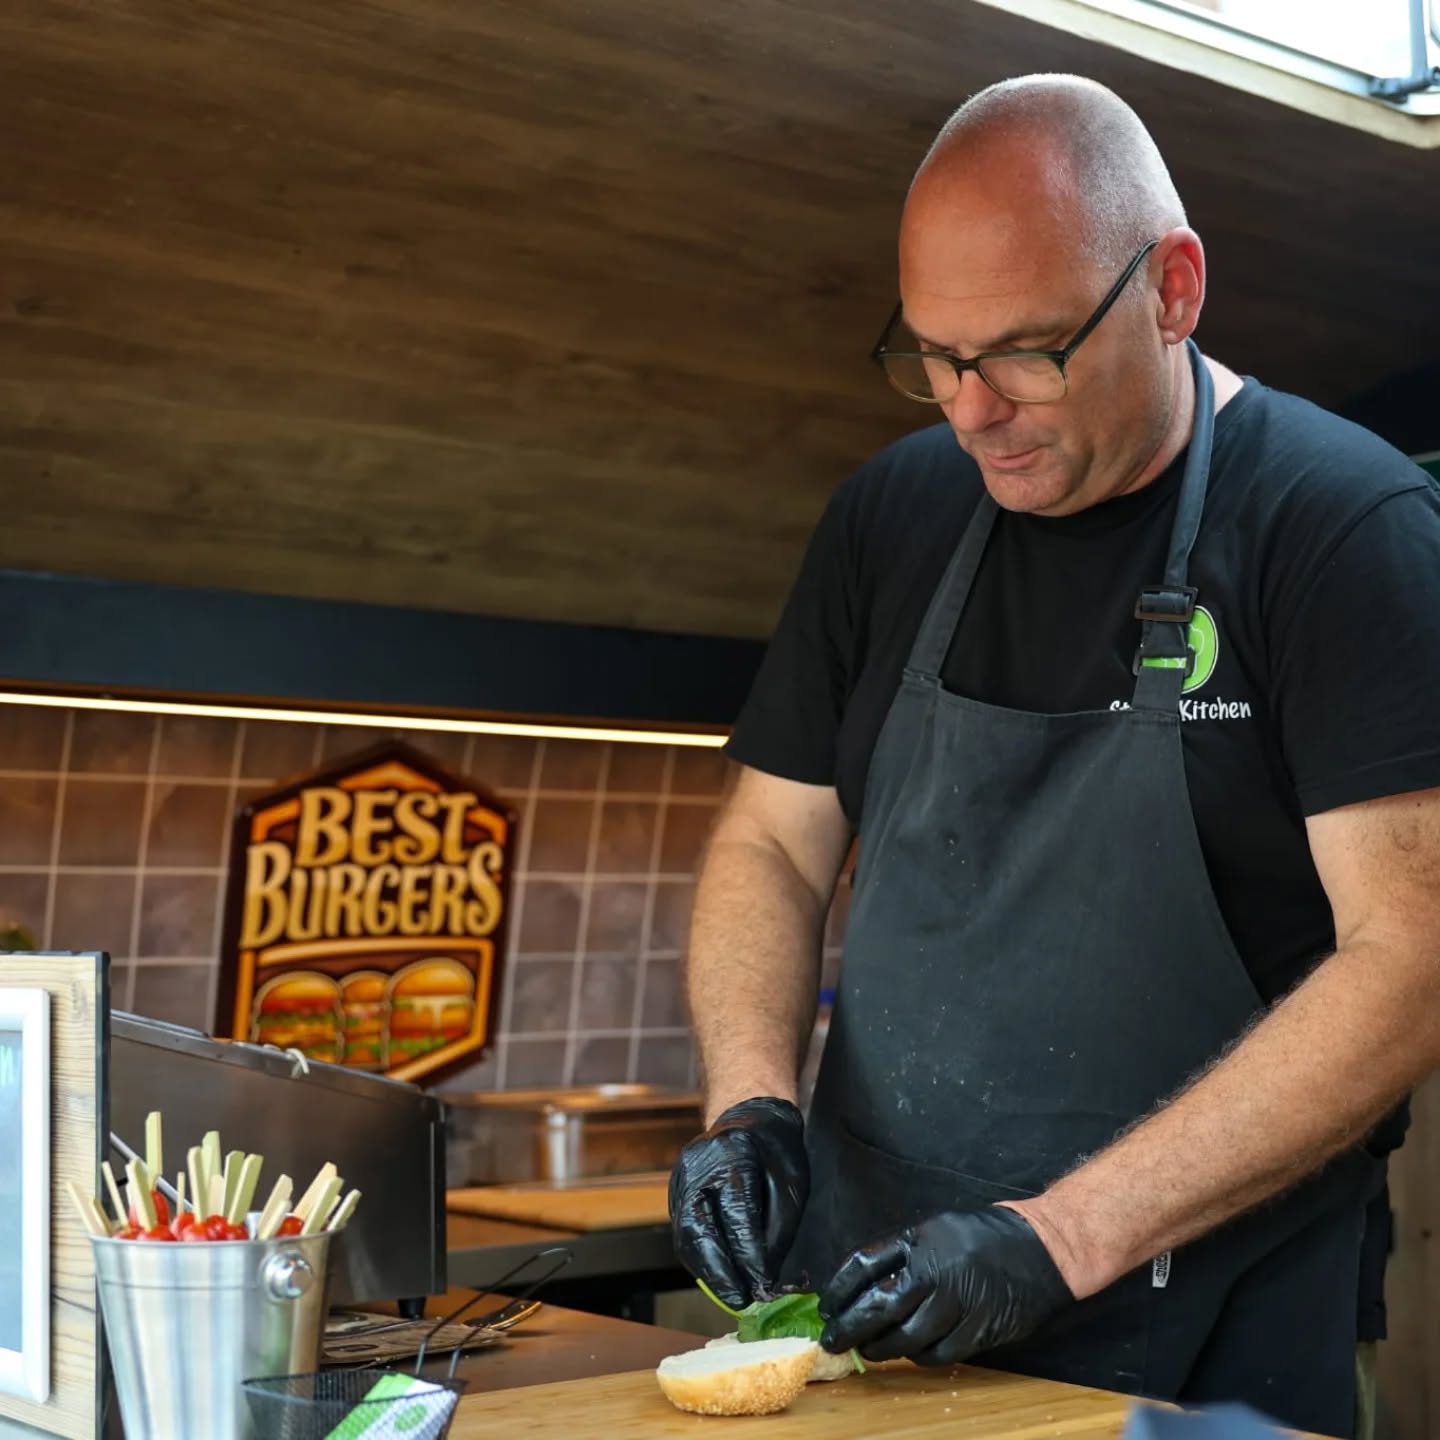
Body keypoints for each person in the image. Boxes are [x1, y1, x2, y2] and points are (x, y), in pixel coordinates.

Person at [667, 73, 1440, 1440]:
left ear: (1174, 290)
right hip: (884, 1309)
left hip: (1214, 1329)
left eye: (1028, 350)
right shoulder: (892, 516)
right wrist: (750, 1106)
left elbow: (1413, 951)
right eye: (934, 356)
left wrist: (1055, 1239)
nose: (974, 410)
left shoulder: (1343, 527)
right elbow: (773, 845)